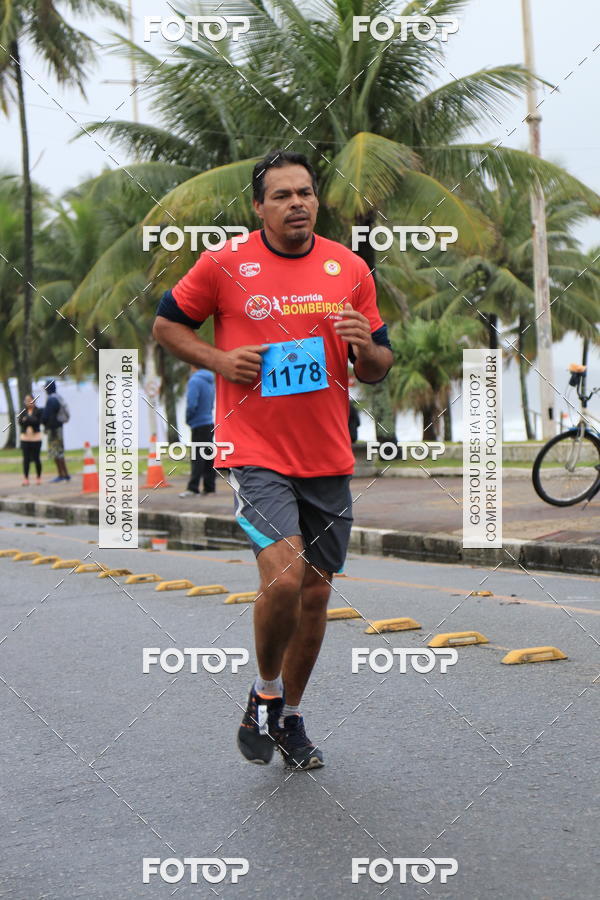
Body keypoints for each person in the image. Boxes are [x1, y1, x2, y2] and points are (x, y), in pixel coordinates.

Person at [152, 149, 393, 769]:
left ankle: (289, 717)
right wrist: (218, 360)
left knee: (315, 596)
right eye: (282, 195)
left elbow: (377, 368)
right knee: (283, 580)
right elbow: (166, 325)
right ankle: (264, 691)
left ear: (318, 200)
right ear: (259, 207)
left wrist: (365, 348)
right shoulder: (224, 264)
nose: (297, 204)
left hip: (327, 454)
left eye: (305, 193)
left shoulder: (349, 268)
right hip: (255, 451)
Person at [179, 365, 216, 498]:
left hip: (198, 424)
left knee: (197, 457)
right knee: (208, 457)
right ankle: (209, 488)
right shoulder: (210, 380)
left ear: (193, 366)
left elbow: (191, 403)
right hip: (209, 422)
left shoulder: (194, 381)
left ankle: (193, 488)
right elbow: (211, 403)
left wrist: (189, 419)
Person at [41, 378, 71, 483]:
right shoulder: (58, 398)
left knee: (57, 453)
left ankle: (62, 475)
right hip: (59, 427)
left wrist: (44, 423)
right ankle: (65, 474)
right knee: (59, 452)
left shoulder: (51, 400)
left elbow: (46, 416)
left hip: (53, 430)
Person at [18, 395, 43, 486]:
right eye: (26, 400)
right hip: (25, 438)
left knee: (36, 458)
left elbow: (37, 422)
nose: (28, 402)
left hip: (36, 438)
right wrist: (28, 420)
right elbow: (20, 422)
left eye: (30, 400)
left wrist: (27, 419)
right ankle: (26, 478)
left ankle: (38, 477)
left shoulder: (38, 411)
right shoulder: (23, 411)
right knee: (26, 459)